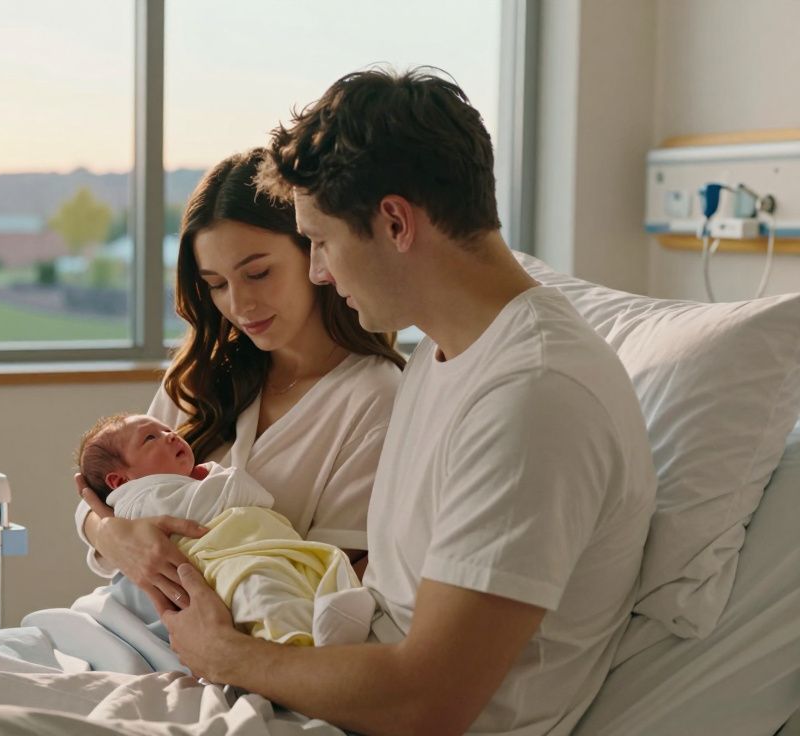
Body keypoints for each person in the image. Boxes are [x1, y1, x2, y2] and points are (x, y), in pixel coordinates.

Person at [154, 68, 658, 736]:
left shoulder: (535, 399)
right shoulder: (445, 358)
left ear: (394, 222)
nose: (319, 272)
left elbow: (428, 701)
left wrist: (229, 654)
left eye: (324, 241)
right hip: (326, 692)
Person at [71, 147, 404, 633]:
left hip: (241, 648)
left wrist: (116, 533)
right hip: (119, 624)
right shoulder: (200, 373)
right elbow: (108, 487)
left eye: (258, 273)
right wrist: (110, 533)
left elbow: (333, 577)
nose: (239, 304)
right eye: (216, 284)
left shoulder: (373, 398)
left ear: (315, 253)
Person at [76, 413, 361, 646]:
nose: (171, 435)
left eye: (167, 430)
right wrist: (215, 475)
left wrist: (104, 523)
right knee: (258, 589)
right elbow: (242, 495)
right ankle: (289, 644)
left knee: (284, 584)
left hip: (245, 553)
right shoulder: (142, 498)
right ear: (119, 480)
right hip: (217, 564)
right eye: (151, 438)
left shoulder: (158, 487)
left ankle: (308, 635)